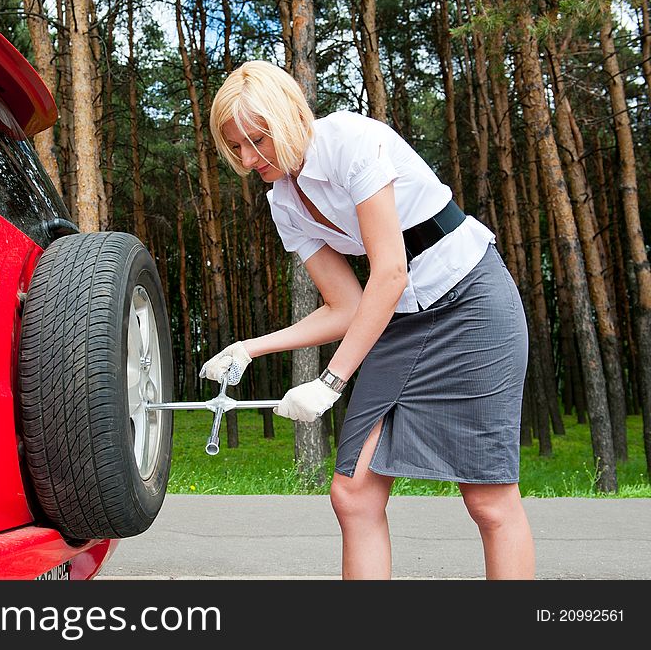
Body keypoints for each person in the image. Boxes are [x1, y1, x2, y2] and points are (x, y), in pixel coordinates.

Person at [202, 60, 535, 580]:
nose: (248, 159)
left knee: (488, 499)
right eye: (236, 148)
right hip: (398, 319)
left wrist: (331, 381)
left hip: (471, 301)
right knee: (352, 492)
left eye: (256, 140)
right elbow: (347, 305)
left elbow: (390, 272)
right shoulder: (284, 202)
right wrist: (250, 347)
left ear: (290, 115)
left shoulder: (350, 140)